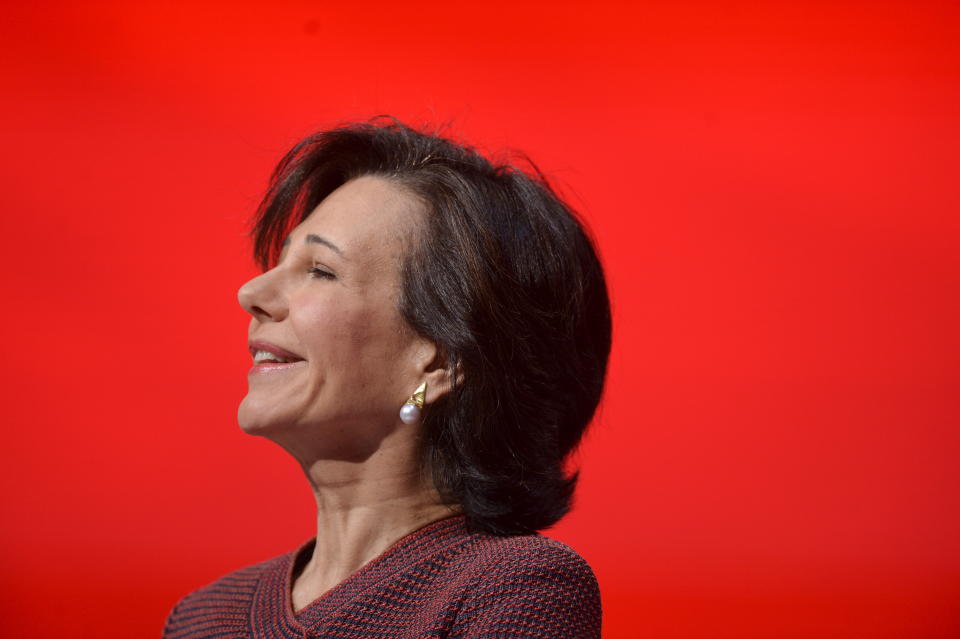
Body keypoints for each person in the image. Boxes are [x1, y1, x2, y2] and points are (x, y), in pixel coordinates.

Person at [161, 117, 612, 638]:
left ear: (439, 361)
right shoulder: (203, 618)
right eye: (281, 261)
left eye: (321, 271)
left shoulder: (513, 591)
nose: (252, 291)